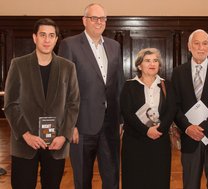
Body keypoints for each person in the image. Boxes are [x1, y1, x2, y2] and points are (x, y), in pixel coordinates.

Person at [3, 18, 80, 189]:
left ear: (56, 39)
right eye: (43, 35)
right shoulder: (18, 64)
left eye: (51, 35)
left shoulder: (68, 67)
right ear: (34, 37)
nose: (47, 40)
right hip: (25, 142)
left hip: (56, 143)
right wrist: (26, 134)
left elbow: (73, 103)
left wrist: (64, 135)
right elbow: (10, 104)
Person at [58, 3, 124, 189]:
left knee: (111, 177)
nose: (99, 22)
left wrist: (120, 120)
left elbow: (118, 84)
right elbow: (64, 87)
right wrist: (70, 124)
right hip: (82, 125)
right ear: (84, 20)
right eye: (94, 18)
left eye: (102, 18)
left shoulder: (114, 46)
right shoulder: (69, 45)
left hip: (110, 125)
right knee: (82, 178)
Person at [171, 29, 208, 189]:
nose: (201, 47)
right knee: (190, 184)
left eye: (205, 43)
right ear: (189, 47)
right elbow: (174, 106)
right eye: (196, 43)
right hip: (189, 138)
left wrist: (203, 128)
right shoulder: (177, 72)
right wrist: (188, 127)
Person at [120, 48, 176, 189]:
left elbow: (171, 110)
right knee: (135, 180)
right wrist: (146, 131)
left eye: (155, 60)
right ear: (139, 65)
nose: (152, 64)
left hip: (160, 141)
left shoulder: (167, 85)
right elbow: (127, 113)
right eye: (147, 60)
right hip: (134, 142)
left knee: (159, 179)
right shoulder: (129, 86)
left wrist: (159, 129)